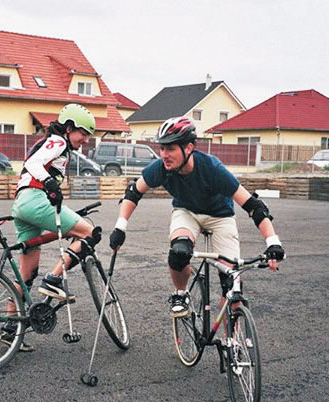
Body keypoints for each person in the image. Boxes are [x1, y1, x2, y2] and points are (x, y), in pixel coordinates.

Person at [109, 116, 285, 317]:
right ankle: (181, 293)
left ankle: (233, 335)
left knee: (232, 285)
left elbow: (254, 206)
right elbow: (133, 193)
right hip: (186, 212)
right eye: (162, 148)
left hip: (220, 217)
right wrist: (120, 228)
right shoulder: (160, 168)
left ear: (189, 148)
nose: (164, 154)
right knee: (179, 251)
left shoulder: (212, 169)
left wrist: (273, 242)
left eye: (171, 148)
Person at [0, 104, 101, 351]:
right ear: (69, 128)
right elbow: (34, 163)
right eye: (83, 133)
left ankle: (9, 330)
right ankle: (54, 278)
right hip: (35, 200)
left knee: (26, 275)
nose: (85, 140)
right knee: (89, 233)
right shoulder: (58, 141)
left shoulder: (54, 142)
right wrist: (49, 183)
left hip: (23, 205)